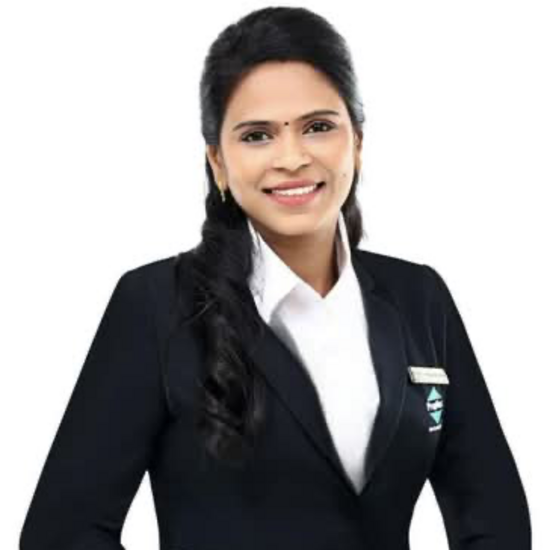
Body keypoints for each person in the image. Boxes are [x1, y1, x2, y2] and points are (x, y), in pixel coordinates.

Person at [19, 6, 531, 550]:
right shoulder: (154, 305)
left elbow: (494, 517)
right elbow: (62, 534)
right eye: (257, 135)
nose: (291, 157)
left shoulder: (419, 297)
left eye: (318, 127)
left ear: (357, 142)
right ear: (218, 162)